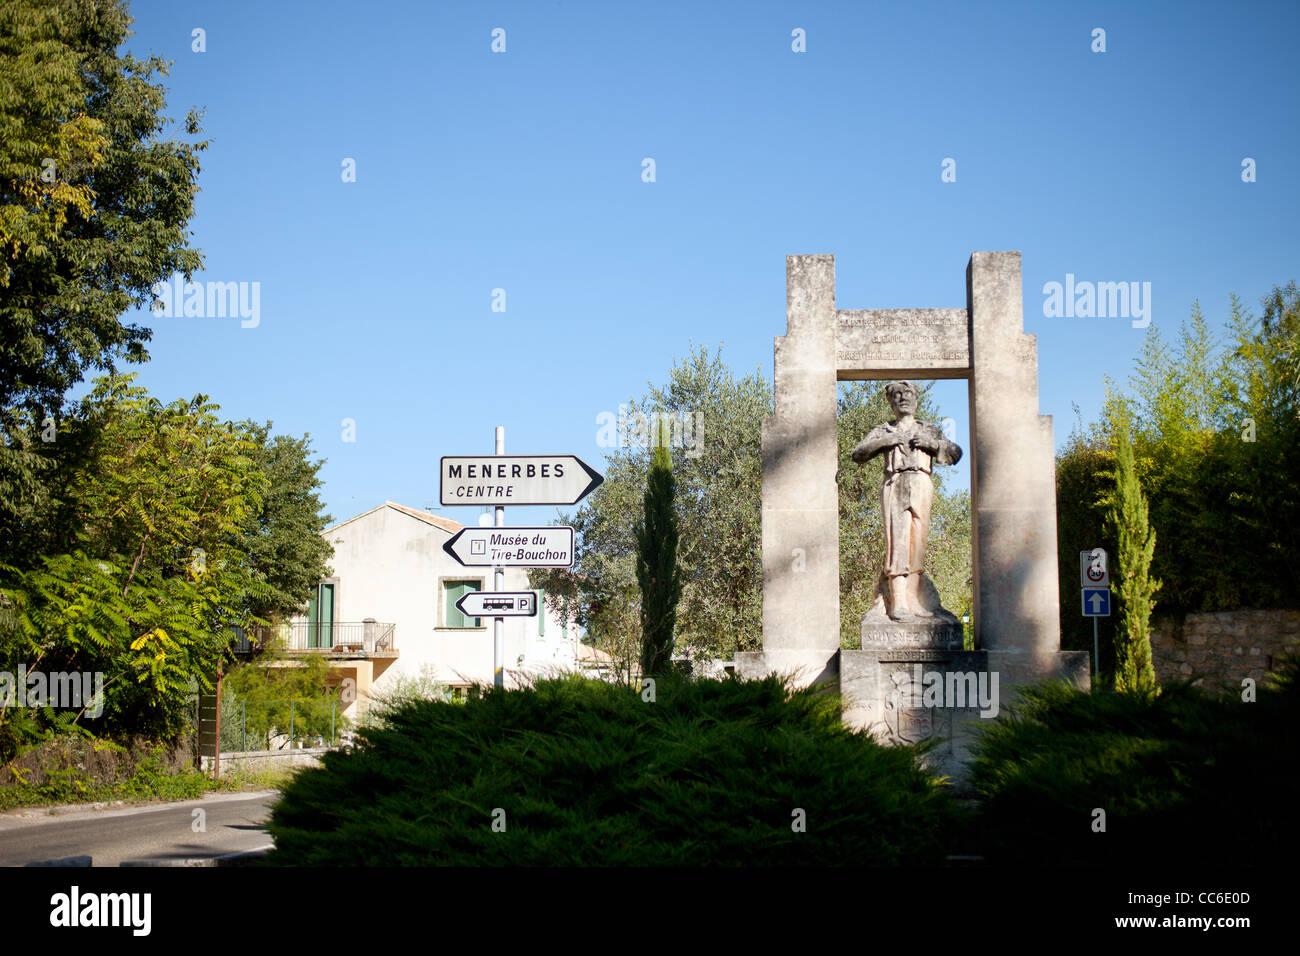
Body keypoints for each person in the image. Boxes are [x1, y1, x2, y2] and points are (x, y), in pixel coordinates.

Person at [850, 381, 962, 622]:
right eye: (897, 395)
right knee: (896, 540)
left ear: (916, 399)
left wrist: (933, 445)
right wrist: (884, 442)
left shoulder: (928, 429)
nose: (903, 398)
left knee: (918, 541)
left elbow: (955, 453)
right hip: (895, 482)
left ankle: (915, 600)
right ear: (890, 402)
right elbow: (858, 453)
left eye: (908, 394)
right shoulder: (886, 429)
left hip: (921, 481)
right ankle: (898, 602)